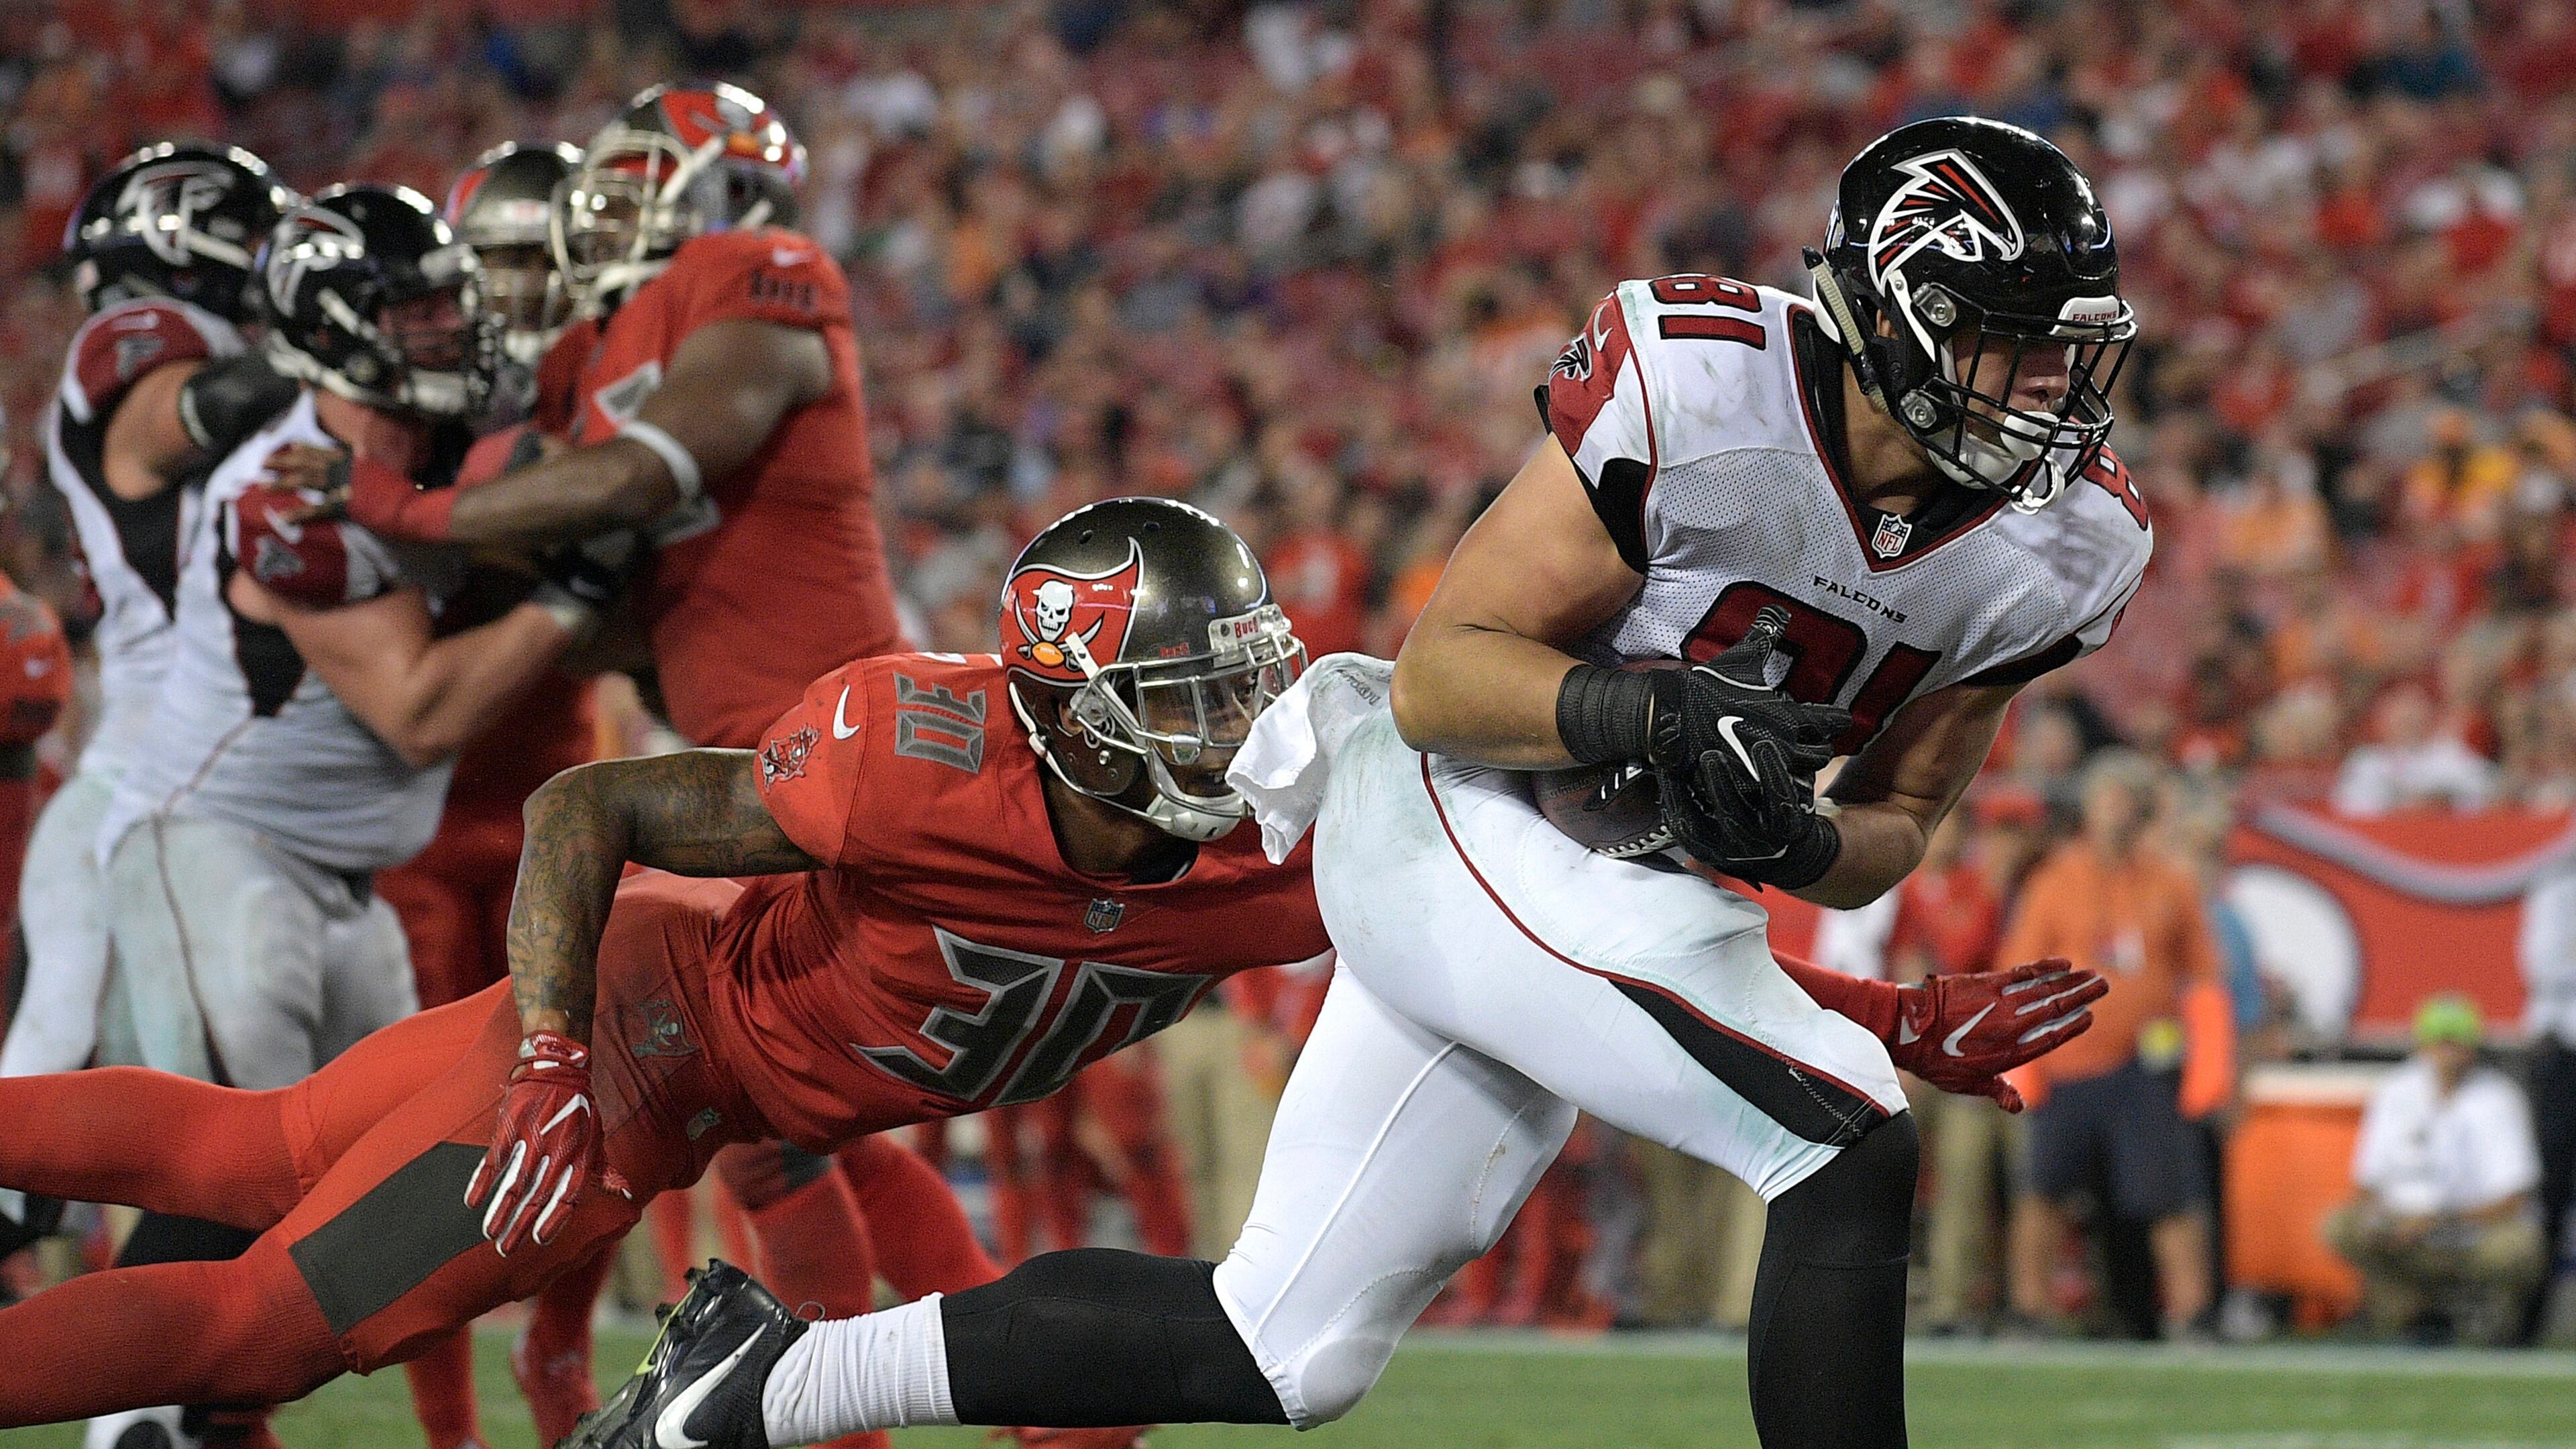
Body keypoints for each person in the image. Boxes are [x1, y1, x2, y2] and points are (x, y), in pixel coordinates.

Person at [577, 115, 2137, 1449]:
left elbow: (1891, 835)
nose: (2047, 389)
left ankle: (759, 1383)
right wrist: (1648, 713)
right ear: (1889, 310)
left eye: (2068, 350)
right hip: (1458, 809)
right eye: (2012, 340)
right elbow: (1447, 669)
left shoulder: (2058, 549)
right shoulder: (1704, 387)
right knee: (1843, 1137)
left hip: (1603, 885)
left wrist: (1794, 832)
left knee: (1283, 1346)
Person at [269, 87, 996, 1392]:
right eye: (492, 262)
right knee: (737, 1120)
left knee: (746, 1126)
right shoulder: (584, 370)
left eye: (529, 253)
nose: (524, 283)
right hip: (738, 761)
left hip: (821, 756)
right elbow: (637, 609)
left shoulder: (743, 281)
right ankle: (559, 1360)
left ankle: (945, 1403)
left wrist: (389, 506)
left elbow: (633, 482)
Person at [2001, 750, 2229, 1340]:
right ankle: (2029, 1309)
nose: (2118, 812)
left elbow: (2203, 977)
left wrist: (2211, 1067)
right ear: (2090, 808)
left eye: (2129, 800)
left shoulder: (2171, 882)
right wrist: (2020, 1067)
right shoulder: (2054, 882)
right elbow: (2018, 973)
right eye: (2109, 799)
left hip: (2146, 1066)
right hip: (2065, 1062)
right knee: (2042, 1192)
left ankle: (2192, 1313)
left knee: (2172, 1196)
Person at [2324, 995, 2544, 1345]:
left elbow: (2515, 1195)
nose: (2449, 1052)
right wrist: (2382, 1219)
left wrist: (2440, 1220)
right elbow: (2368, 1179)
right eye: (2441, 1042)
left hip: (2472, 1231)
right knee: (2343, 1225)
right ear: (2422, 1045)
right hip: (2404, 1225)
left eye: (2457, 1042)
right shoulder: (2397, 1091)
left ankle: (2490, 1318)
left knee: (2517, 1247)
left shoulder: (2500, 1098)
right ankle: (2411, 1312)